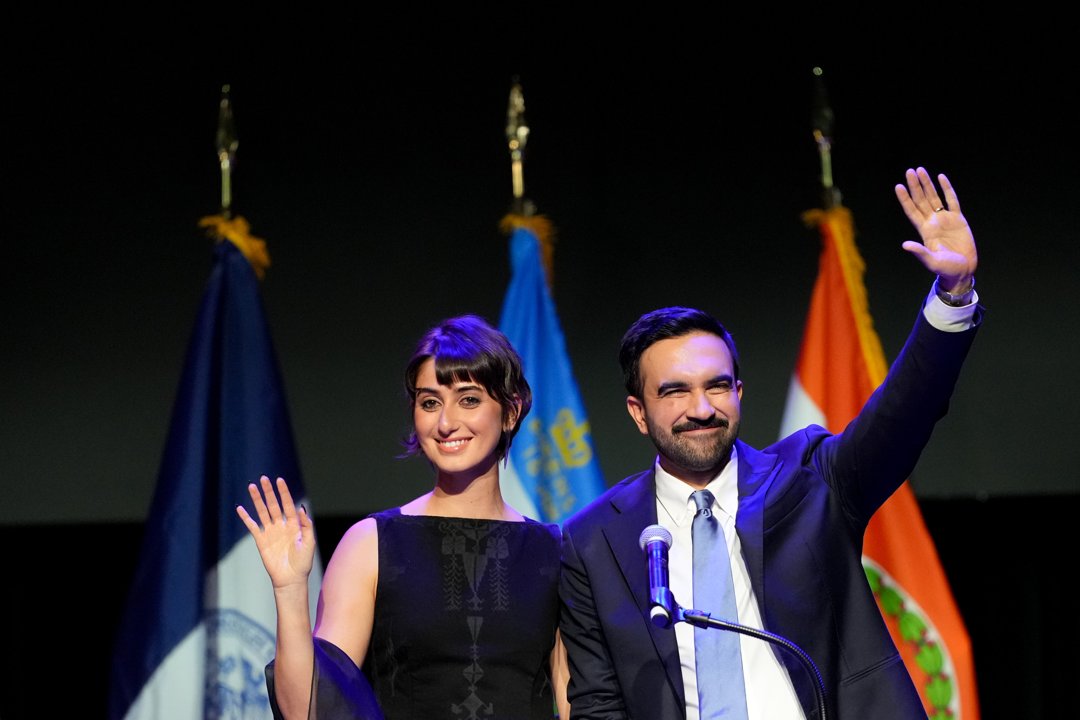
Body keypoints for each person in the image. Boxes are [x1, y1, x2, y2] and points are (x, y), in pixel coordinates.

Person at [557, 167, 982, 720]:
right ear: (638, 412)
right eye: (675, 392)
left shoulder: (811, 480)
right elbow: (598, 704)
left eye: (717, 386)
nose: (702, 408)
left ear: (739, 391)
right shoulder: (593, 540)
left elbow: (904, 412)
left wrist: (954, 295)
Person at [237, 315, 570, 719]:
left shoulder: (554, 551)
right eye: (430, 402)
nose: (446, 423)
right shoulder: (372, 543)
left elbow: (572, 701)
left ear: (511, 412)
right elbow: (306, 711)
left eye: (469, 399)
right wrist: (290, 590)